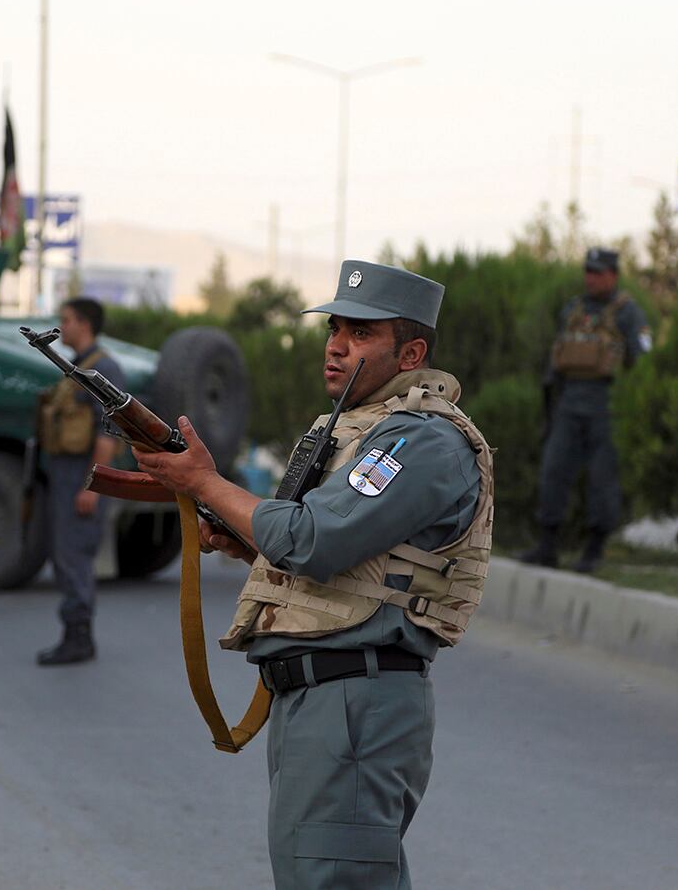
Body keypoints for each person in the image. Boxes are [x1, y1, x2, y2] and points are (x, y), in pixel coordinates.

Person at [135, 260, 493, 889]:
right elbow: (351, 565)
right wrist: (247, 543)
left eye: (360, 334)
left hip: (354, 701)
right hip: (324, 698)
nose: (335, 345)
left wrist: (203, 482)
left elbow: (313, 538)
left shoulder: (422, 441)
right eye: (334, 329)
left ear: (411, 353)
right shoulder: (361, 431)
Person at [521, 246, 651, 572]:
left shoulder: (628, 313)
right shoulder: (574, 308)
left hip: (607, 408)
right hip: (569, 404)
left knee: (602, 480)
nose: (590, 278)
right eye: (588, 271)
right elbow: (558, 359)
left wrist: (632, 407)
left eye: (598, 272)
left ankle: (594, 550)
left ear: (613, 275)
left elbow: (643, 362)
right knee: (553, 472)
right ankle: (547, 545)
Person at [35, 296, 126, 666]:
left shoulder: (103, 368)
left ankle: (78, 637)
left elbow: (109, 434)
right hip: (66, 473)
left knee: (74, 556)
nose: (62, 325)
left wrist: (92, 485)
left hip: (80, 474)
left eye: (67, 320)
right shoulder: (80, 367)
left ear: (84, 324)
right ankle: (74, 633)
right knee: (65, 554)